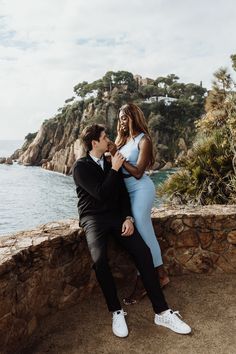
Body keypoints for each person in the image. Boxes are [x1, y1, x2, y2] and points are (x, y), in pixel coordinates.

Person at [72, 123, 191, 338]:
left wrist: (128, 217)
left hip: (117, 217)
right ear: (94, 143)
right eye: (104, 136)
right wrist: (116, 168)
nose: (109, 139)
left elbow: (122, 195)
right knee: (99, 261)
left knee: (143, 253)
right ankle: (116, 310)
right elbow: (101, 194)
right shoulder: (81, 167)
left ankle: (162, 311)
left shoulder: (111, 163)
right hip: (93, 219)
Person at [108, 103, 169, 305]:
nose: (121, 121)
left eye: (125, 117)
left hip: (141, 189)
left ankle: (144, 281)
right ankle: (161, 275)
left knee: (141, 233)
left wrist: (117, 156)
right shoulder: (123, 140)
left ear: (133, 117)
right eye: (120, 118)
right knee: (145, 233)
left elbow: (138, 172)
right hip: (126, 192)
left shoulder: (144, 140)